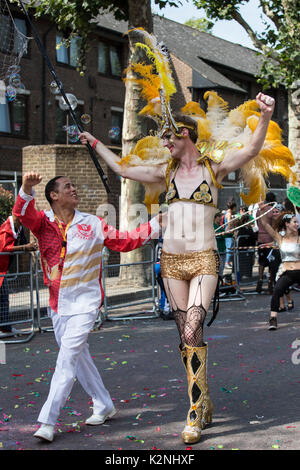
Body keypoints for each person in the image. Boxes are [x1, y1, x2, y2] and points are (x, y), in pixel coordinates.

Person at [79, 91, 278, 445]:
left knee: (192, 330)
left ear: (183, 134)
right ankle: (203, 401)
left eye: (167, 136)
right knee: (187, 339)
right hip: (170, 262)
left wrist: (265, 116)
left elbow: (249, 151)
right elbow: (124, 168)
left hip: (203, 258)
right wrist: (94, 141)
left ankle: (193, 414)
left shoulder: (212, 168)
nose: (163, 143)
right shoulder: (163, 172)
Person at [13, 172, 160, 442]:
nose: (74, 189)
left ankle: (48, 420)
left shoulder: (93, 223)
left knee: (67, 358)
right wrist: (25, 187)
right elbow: (21, 213)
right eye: (67, 186)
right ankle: (103, 404)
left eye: (74, 185)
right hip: (58, 306)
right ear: (54, 196)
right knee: (79, 359)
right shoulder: (43, 223)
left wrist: (154, 225)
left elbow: (125, 241)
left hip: (86, 303)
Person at [260, 209, 300, 330]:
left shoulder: (299, 238)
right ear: (287, 224)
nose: (297, 224)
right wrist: (263, 210)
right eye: (295, 222)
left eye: (298, 222)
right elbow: (266, 225)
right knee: (277, 291)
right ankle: (273, 319)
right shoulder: (280, 238)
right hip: (287, 272)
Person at [0, 213, 37, 337]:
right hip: (1, 268)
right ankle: (4, 328)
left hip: (3, 268)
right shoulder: (6, 229)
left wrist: (29, 247)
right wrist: (25, 247)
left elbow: (23, 244)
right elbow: (4, 249)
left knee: (4, 299)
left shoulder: (19, 228)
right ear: (17, 217)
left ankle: (5, 327)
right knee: (3, 298)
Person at [255, 192, 278, 294]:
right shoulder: (272, 211)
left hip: (260, 238)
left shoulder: (259, 210)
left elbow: (257, 222)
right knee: (271, 263)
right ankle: (269, 285)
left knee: (261, 262)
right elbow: (274, 225)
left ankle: (260, 280)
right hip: (269, 239)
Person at [223, 198, 237, 268]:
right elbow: (229, 223)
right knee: (229, 247)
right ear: (233, 207)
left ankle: (227, 261)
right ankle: (227, 262)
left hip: (228, 231)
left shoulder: (226, 212)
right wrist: (230, 231)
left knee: (229, 246)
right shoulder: (229, 213)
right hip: (229, 231)